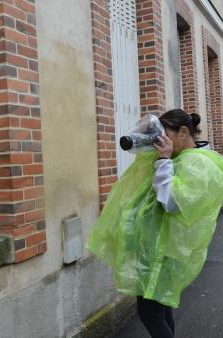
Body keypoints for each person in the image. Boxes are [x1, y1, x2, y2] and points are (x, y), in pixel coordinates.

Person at [86, 109, 223, 338]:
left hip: (163, 251)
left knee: (149, 312)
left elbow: (171, 201)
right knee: (160, 307)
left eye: (164, 133)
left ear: (183, 132)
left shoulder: (196, 163)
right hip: (160, 248)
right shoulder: (184, 157)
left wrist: (162, 160)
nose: (160, 140)